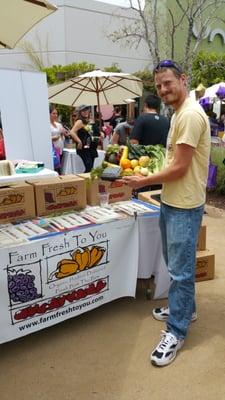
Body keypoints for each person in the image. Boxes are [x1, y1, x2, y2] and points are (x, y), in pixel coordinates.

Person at [122, 60, 211, 367]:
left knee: (181, 271)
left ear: (183, 80)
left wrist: (142, 180)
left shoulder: (189, 115)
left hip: (184, 206)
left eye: (168, 83)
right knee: (177, 264)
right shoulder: (177, 113)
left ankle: (176, 330)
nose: (162, 90)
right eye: (159, 85)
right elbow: (174, 162)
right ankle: (187, 309)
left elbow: (180, 167)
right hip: (172, 200)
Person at [69, 105, 98, 172]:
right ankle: (85, 181)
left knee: (91, 168)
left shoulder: (90, 120)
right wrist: (79, 141)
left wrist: (101, 134)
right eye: (83, 111)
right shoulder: (80, 121)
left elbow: (94, 132)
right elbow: (72, 132)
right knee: (89, 167)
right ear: (80, 112)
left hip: (91, 147)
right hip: (84, 148)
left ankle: (89, 181)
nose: (85, 112)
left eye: (87, 110)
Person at [50, 105, 68, 172]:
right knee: (55, 167)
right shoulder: (46, 125)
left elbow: (63, 136)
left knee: (59, 167)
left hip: (60, 148)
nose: (55, 115)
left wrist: (64, 133)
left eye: (56, 113)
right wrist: (57, 136)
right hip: (53, 150)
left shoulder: (58, 124)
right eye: (53, 113)